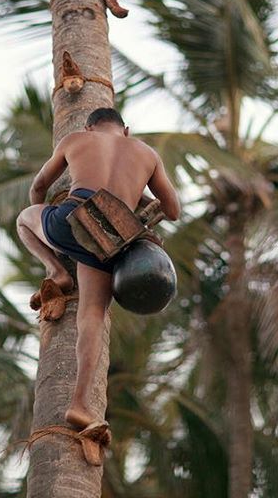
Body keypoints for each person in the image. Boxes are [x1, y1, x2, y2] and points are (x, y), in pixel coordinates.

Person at [16, 107, 180, 431]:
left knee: (25, 218)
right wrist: (139, 194)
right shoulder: (147, 154)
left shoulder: (75, 139)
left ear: (90, 128)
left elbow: (38, 186)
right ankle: (79, 404)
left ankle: (56, 271)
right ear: (126, 131)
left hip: (70, 220)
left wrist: (46, 207)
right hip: (109, 239)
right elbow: (173, 210)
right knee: (91, 317)